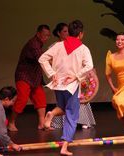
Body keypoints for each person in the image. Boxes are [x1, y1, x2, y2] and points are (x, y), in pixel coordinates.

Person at [39, 20, 93, 155]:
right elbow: (89, 66)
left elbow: (42, 59)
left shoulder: (58, 46)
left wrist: (52, 74)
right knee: (72, 116)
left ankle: (51, 114)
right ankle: (64, 147)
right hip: (71, 86)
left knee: (62, 108)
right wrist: (76, 76)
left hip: (58, 84)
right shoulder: (83, 48)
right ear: (80, 34)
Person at [49, 22, 96, 130]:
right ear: (58, 33)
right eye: (64, 31)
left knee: (78, 103)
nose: (66, 33)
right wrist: (53, 73)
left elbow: (86, 64)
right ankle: (65, 130)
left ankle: (80, 123)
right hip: (62, 79)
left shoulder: (78, 47)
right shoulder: (56, 46)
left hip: (75, 77)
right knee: (65, 106)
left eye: (67, 31)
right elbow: (49, 61)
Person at [8, 25, 50, 131]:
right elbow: (41, 59)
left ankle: (41, 124)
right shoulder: (33, 44)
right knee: (22, 99)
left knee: (40, 99)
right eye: (44, 35)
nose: (46, 37)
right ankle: (11, 123)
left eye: (48, 35)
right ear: (38, 33)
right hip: (24, 76)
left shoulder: (39, 44)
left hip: (34, 77)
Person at [0, 86, 21, 156]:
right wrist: (12, 144)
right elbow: (0, 132)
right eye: (13, 101)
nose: (13, 104)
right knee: (2, 124)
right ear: (6, 99)